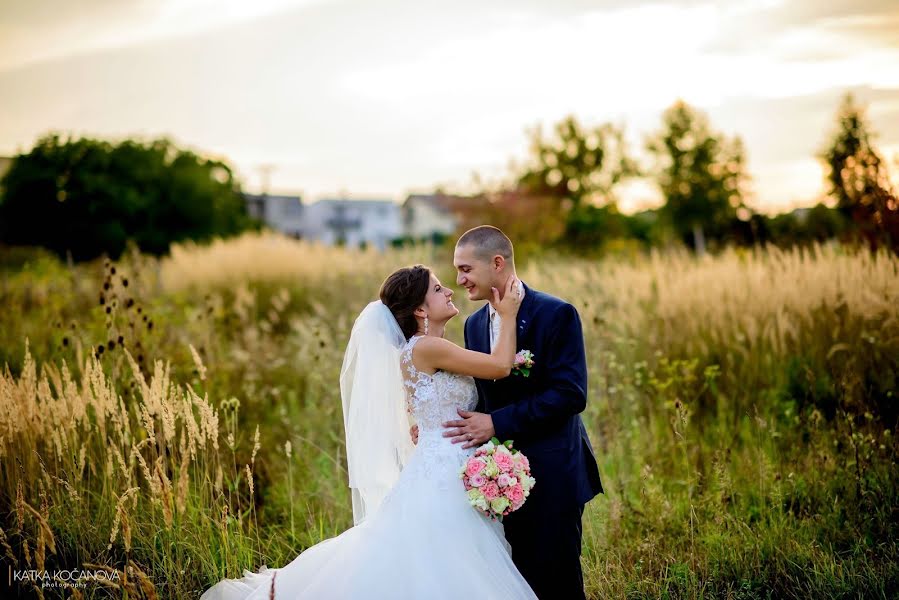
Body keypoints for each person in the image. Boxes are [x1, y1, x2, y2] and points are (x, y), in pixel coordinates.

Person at [200, 265, 537, 599]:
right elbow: (500, 366)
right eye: (437, 289)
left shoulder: (417, 351)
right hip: (444, 469)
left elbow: (425, 407)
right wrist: (507, 314)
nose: (449, 291)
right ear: (420, 309)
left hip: (444, 459)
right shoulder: (427, 348)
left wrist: (428, 425)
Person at [441, 225, 603, 600]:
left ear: (497, 263)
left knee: (557, 580)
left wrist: (497, 423)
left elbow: (569, 394)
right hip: (497, 481)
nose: (459, 279)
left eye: (466, 269)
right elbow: (484, 396)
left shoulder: (556, 314)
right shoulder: (474, 324)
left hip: (553, 473)